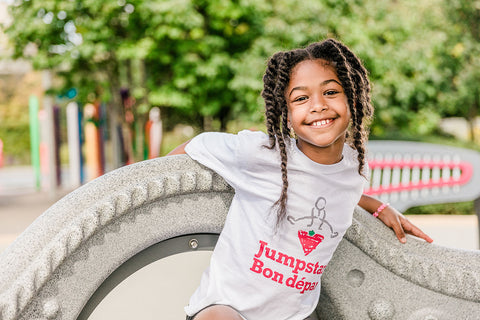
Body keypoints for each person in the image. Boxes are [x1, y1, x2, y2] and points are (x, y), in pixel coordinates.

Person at [168, 38, 433, 320]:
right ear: (286, 113)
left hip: (295, 315)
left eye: (330, 92)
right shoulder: (260, 154)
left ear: (353, 98)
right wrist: (134, 184)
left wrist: (376, 206)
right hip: (227, 308)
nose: (318, 106)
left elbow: (331, 190)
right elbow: (198, 144)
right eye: (301, 98)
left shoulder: (354, 167)